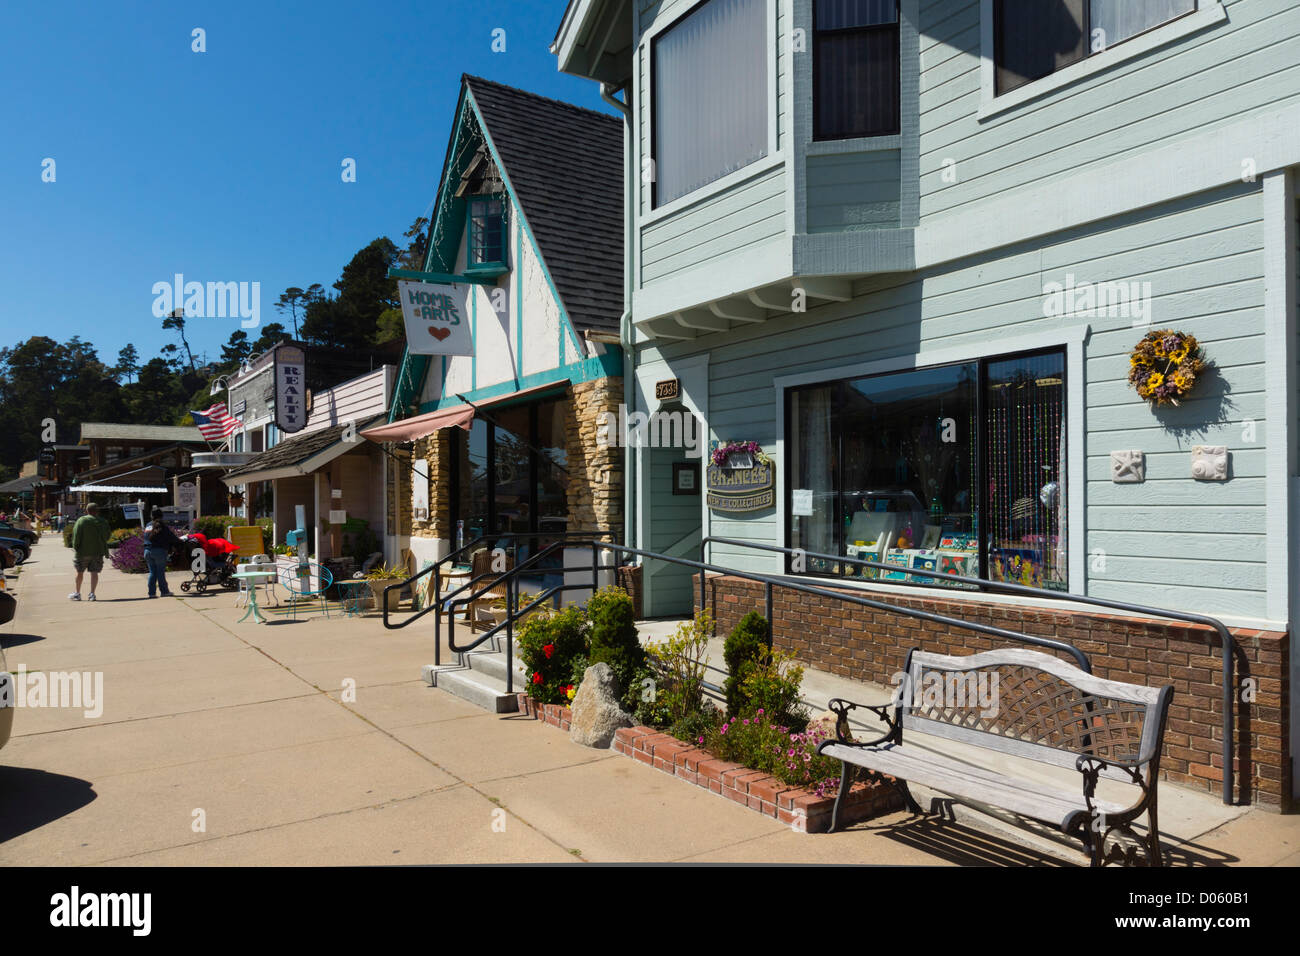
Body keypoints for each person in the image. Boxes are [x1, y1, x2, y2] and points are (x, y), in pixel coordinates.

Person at [69, 502, 110, 601]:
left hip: (82, 552)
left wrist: (76, 547)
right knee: (94, 573)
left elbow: (76, 536)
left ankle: (77, 593)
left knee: (80, 572)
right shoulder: (103, 522)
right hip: (97, 552)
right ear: (97, 511)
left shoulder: (81, 521)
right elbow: (107, 536)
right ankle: (92, 594)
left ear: (87, 511)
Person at [143, 508, 181, 598]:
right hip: (159, 552)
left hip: (147, 551)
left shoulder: (148, 525)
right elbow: (172, 538)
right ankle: (164, 591)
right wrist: (179, 540)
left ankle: (151, 593)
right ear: (161, 516)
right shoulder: (162, 526)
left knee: (152, 572)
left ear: (151, 516)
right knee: (160, 572)